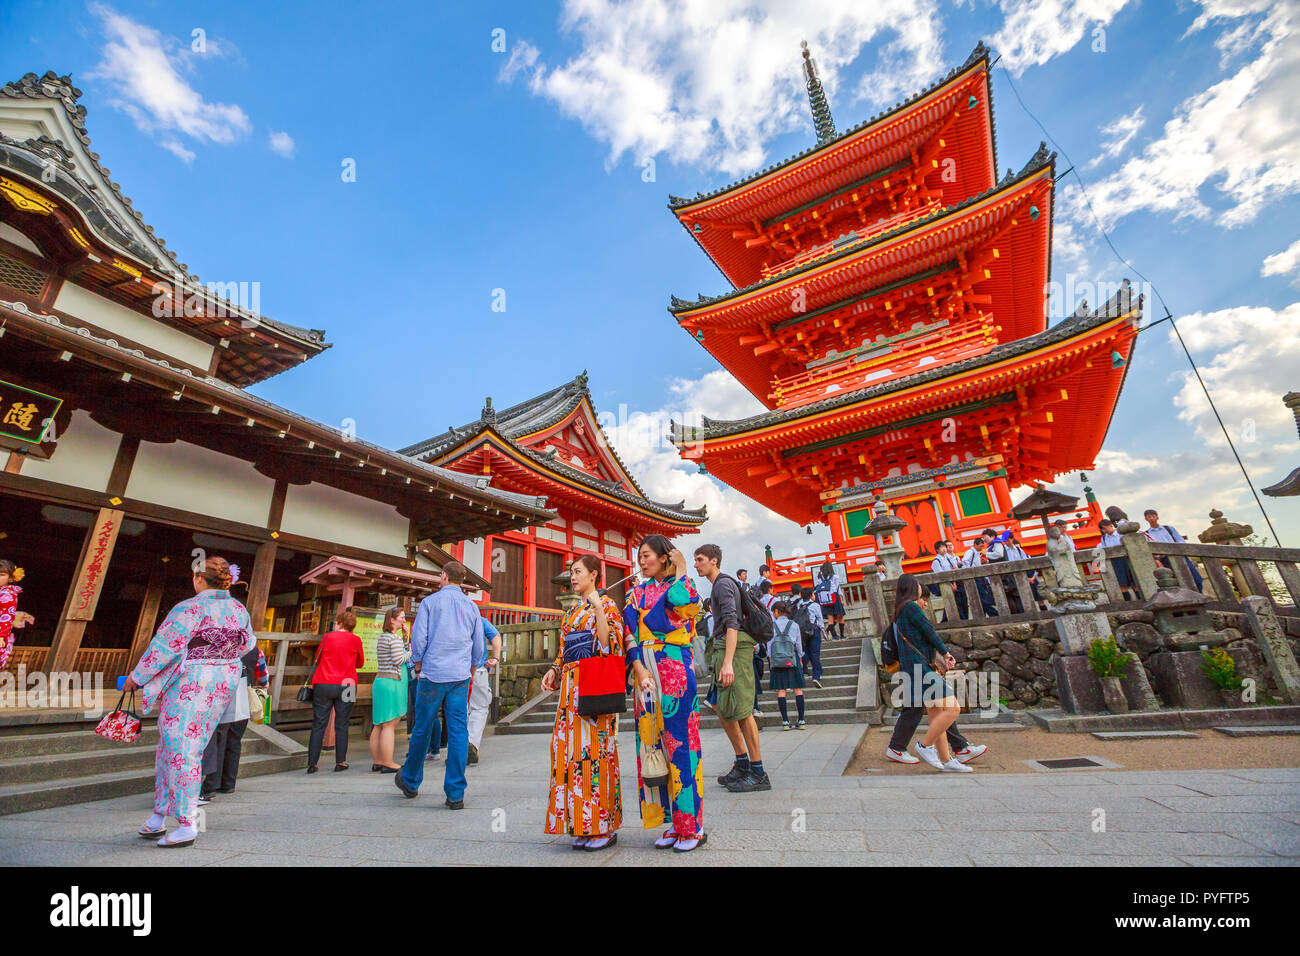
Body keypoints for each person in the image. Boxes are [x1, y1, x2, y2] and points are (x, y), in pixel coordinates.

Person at [122, 555, 255, 848]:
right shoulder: (238, 608)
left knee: (182, 749)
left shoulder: (190, 608)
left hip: (191, 684)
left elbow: (164, 646)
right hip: (221, 683)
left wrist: (138, 676)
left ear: (198, 579)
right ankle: (159, 815)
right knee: (174, 747)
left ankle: (185, 823)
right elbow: (247, 643)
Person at [625, 536, 708, 851]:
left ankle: (692, 826)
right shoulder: (637, 593)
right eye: (639, 556)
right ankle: (672, 823)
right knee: (652, 742)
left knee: (680, 742)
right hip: (644, 671)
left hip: (673, 667)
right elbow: (628, 630)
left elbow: (681, 604)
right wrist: (637, 667)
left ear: (664, 557)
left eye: (646, 555)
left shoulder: (681, 586)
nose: (641, 561)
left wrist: (683, 566)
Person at [541, 554, 624, 851]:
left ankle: (603, 825)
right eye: (571, 573)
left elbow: (608, 645)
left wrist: (600, 609)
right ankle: (582, 823)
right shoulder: (571, 611)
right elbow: (564, 651)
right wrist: (553, 671)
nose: (573, 577)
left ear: (593, 575)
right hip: (570, 688)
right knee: (570, 754)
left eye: (578, 572)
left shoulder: (608, 605)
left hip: (594, 684)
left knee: (596, 753)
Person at [395, 560, 480, 809]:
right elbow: (477, 644)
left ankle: (410, 780)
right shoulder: (471, 606)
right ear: (461, 580)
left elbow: (419, 638)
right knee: (458, 730)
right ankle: (455, 792)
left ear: (443, 576)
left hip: (433, 673)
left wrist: (419, 665)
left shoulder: (430, 603)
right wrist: (472, 668)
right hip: (460, 675)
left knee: (422, 726)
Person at [692, 543, 770, 798]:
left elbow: (733, 622)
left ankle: (758, 772)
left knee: (742, 709)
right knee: (719, 705)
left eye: (700, 559)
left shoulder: (723, 585)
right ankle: (742, 762)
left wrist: (728, 662)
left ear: (714, 560)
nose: (696, 564)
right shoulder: (719, 585)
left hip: (733, 649)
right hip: (723, 648)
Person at [885, 592, 985, 765]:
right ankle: (948, 748)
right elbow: (928, 634)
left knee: (929, 708)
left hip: (913, 668)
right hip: (916, 668)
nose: (925, 604)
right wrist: (945, 654)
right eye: (923, 599)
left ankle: (956, 749)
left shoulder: (900, 615)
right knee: (939, 707)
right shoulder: (909, 611)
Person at [199, 641, 268, 802]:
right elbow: (263, 676)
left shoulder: (221, 645)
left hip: (223, 693)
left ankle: (211, 785)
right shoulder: (255, 650)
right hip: (244, 693)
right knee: (235, 739)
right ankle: (228, 783)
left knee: (218, 739)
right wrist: (264, 684)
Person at [304, 607, 364, 773]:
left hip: (324, 681)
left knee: (319, 723)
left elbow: (318, 658)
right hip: (348, 683)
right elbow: (360, 663)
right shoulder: (356, 640)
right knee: (342, 723)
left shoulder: (327, 637)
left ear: (339, 623)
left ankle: (312, 763)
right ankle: (340, 761)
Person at [369, 606, 410, 773]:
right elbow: (398, 659)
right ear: (392, 620)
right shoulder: (393, 639)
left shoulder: (384, 637)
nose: (404, 620)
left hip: (381, 681)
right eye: (401, 617)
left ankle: (377, 761)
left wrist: (405, 637)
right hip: (392, 682)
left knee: (378, 724)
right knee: (389, 725)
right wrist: (412, 652)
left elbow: (397, 651)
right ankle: (388, 762)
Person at [466, 615, 501, 765]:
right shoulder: (478, 619)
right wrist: (496, 657)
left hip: (453, 670)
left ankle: (458, 749)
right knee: (479, 707)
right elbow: (496, 636)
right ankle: (471, 742)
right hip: (478, 669)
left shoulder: (449, 617)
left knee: (458, 709)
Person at [1142, 509, 1204, 591]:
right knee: (1176, 581)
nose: (1152, 518)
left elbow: (1180, 540)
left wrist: (1179, 551)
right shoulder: (1147, 533)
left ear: (1157, 517)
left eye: (1153, 516)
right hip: (1164, 559)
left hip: (1179, 555)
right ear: (1146, 519)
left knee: (1196, 578)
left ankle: (1200, 593)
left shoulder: (1168, 529)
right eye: (1149, 517)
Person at [768, 601, 806, 730]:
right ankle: (801, 720)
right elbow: (799, 644)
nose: (773, 614)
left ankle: (785, 721)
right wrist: (800, 657)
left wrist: (770, 661)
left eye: (773, 612)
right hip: (792, 658)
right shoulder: (794, 625)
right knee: (798, 689)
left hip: (777, 660)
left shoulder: (772, 626)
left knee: (781, 690)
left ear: (777, 612)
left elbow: (769, 646)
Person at [0, 559, 32, 670]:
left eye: (2, 575)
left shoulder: (8, 594)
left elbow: (6, 617)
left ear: (10, 577)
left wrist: (1, 636)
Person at [1098, 518, 1137, 601]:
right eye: (1102, 529)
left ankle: (1140, 599)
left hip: (1127, 559)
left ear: (1110, 525)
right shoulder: (1104, 538)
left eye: (1105, 528)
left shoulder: (1121, 533)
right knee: (1122, 584)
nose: (1104, 530)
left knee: (1134, 582)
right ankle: (1128, 603)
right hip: (1115, 561)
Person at [960, 535, 998, 617]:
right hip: (975, 577)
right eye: (980, 546)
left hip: (979, 578)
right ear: (975, 545)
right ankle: (994, 613)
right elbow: (965, 561)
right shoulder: (970, 552)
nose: (982, 548)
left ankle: (985, 615)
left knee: (982, 598)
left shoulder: (976, 553)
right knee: (982, 598)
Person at [929, 540, 968, 621]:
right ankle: (963, 620)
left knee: (958, 602)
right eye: (942, 548)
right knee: (954, 603)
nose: (944, 549)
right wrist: (951, 585)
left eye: (944, 547)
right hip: (946, 584)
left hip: (955, 582)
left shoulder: (948, 558)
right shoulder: (936, 561)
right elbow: (941, 577)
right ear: (937, 550)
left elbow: (954, 568)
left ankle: (948, 621)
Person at [796, 586, 825, 688]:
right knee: (815, 653)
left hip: (802, 632)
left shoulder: (799, 605)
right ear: (811, 595)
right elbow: (820, 619)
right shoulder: (815, 605)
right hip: (813, 630)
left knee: (806, 652)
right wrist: (822, 630)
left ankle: (804, 671)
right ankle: (816, 676)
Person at [815, 561, 846, 639]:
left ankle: (834, 636)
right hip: (835, 597)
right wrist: (842, 599)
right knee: (840, 617)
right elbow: (838, 589)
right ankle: (842, 635)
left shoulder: (820, 578)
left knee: (830, 619)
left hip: (825, 599)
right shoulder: (835, 577)